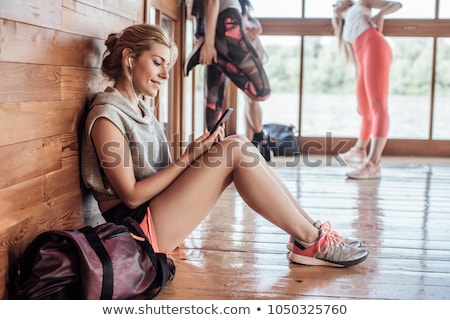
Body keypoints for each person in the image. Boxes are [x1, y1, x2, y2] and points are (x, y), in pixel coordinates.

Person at [81, 23, 369, 268]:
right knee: (235, 149)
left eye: (166, 66)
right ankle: (312, 242)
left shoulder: (143, 108)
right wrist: (188, 158)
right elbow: (130, 196)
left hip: (156, 213)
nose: (166, 75)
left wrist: (194, 156)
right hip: (136, 231)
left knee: (239, 143)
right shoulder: (107, 116)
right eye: (158, 63)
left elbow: (153, 177)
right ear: (129, 58)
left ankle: (312, 234)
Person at [184, 0, 271, 159]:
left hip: (219, 29)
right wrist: (209, 44)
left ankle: (216, 162)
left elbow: (246, 13)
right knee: (262, 90)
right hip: (226, 26)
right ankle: (258, 138)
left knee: (213, 113)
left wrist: (254, 24)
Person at [332, 0, 402, 179]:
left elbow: (396, 4)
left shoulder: (360, 3)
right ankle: (360, 150)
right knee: (365, 110)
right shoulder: (347, 24)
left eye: (335, 1)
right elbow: (357, 62)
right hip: (362, 54)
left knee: (378, 105)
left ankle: (373, 163)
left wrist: (380, 14)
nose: (334, 4)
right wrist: (358, 93)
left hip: (374, 45)